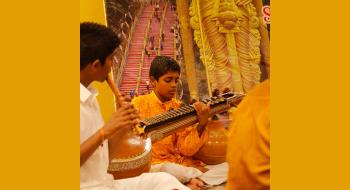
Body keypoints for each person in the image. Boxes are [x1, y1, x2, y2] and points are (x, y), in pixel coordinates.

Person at [80, 22, 189, 190]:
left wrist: (122, 127)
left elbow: (104, 159)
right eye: (110, 59)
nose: (112, 65)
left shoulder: (91, 98)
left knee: (163, 180)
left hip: (105, 183)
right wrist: (105, 131)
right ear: (95, 65)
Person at [131, 56, 210, 190]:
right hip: (152, 166)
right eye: (168, 80)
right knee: (168, 170)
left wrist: (202, 124)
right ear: (153, 81)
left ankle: (187, 180)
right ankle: (190, 179)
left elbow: (186, 149)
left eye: (176, 80)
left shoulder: (179, 107)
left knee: (177, 169)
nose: (174, 85)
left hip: (177, 164)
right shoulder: (138, 105)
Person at [226, 79, 270, 190]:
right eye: (173, 80)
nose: (174, 85)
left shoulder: (254, 102)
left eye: (176, 80)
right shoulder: (257, 102)